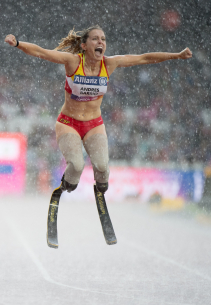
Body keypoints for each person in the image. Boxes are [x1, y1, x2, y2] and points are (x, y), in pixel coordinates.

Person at [4, 25, 192, 195]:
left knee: (102, 167)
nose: (100, 41)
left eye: (103, 39)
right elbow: (42, 52)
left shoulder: (109, 64)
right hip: (69, 123)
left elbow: (145, 58)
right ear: (84, 45)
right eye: (95, 38)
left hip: (94, 124)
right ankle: (67, 185)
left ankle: (100, 188)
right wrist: (17, 43)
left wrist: (177, 55)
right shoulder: (72, 62)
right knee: (77, 166)